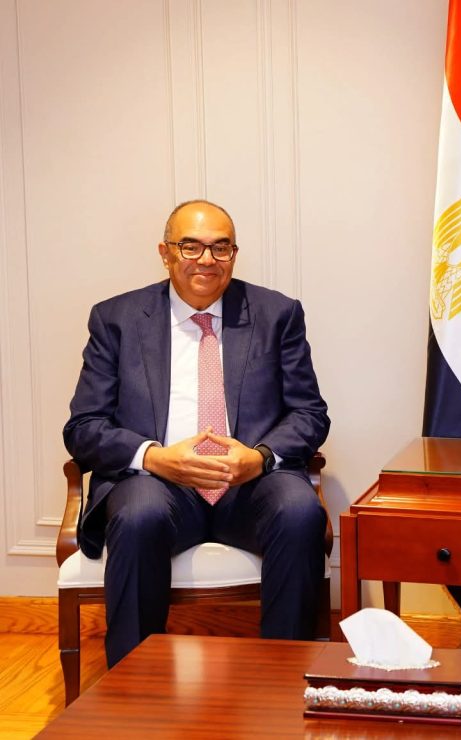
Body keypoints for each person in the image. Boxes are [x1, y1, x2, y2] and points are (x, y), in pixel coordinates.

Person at [64, 199, 330, 668]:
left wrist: (260, 457)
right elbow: (83, 427)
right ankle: (135, 683)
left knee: (298, 510)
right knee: (139, 514)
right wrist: (153, 457)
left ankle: (284, 680)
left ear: (234, 254)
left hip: (250, 485)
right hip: (157, 484)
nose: (207, 259)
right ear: (165, 253)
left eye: (220, 248)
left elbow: (310, 413)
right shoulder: (117, 319)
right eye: (191, 246)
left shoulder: (277, 313)